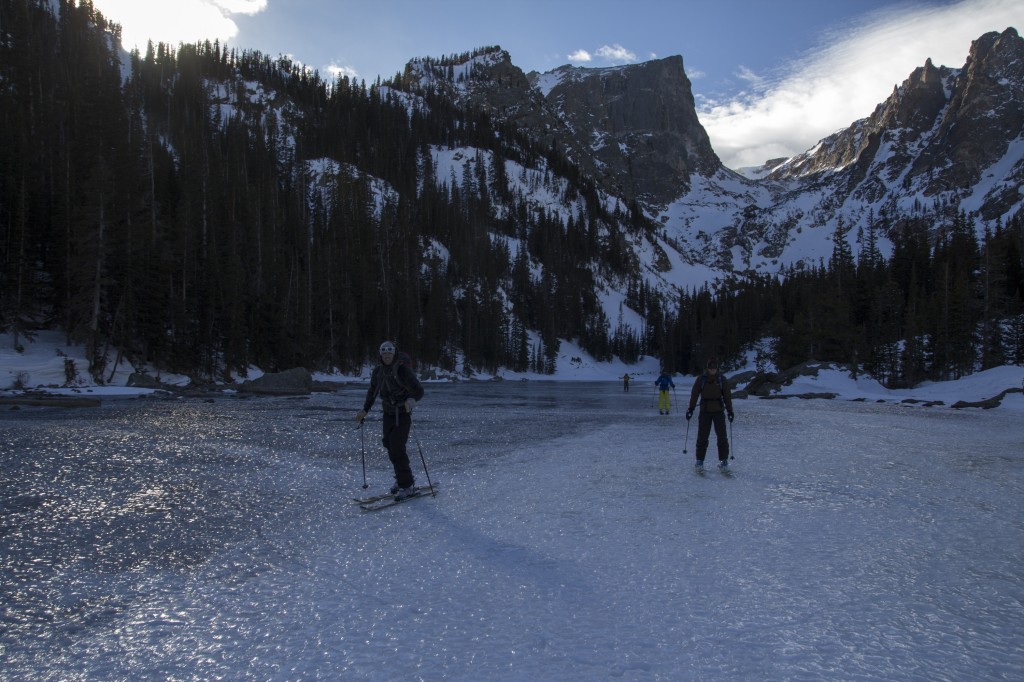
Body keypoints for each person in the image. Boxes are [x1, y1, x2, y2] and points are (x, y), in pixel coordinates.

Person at [356, 341, 425, 499]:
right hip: (388, 414)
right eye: (384, 353)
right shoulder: (378, 372)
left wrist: (411, 400)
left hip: (402, 414)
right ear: (380, 355)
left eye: (390, 353)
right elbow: (372, 391)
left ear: (394, 354)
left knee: (397, 447)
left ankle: (407, 485)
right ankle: (401, 479)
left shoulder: (402, 370)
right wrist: (365, 409)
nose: (387, 356)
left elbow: (419, 390)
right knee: (388, 444)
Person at [685, 357, 734, 471]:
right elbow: (694, 395)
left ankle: (723, 461)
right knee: (702, 437)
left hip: (718, 411)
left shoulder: (722, 379)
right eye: (711, 368)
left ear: (717, 368)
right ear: (707, 368)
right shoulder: (701, 379)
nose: (712, 370)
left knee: (722, 437)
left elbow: (727, 396)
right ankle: (699, 461)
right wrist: (690, 409)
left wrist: (730, 411)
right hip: (705, 411)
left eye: (714, 368)